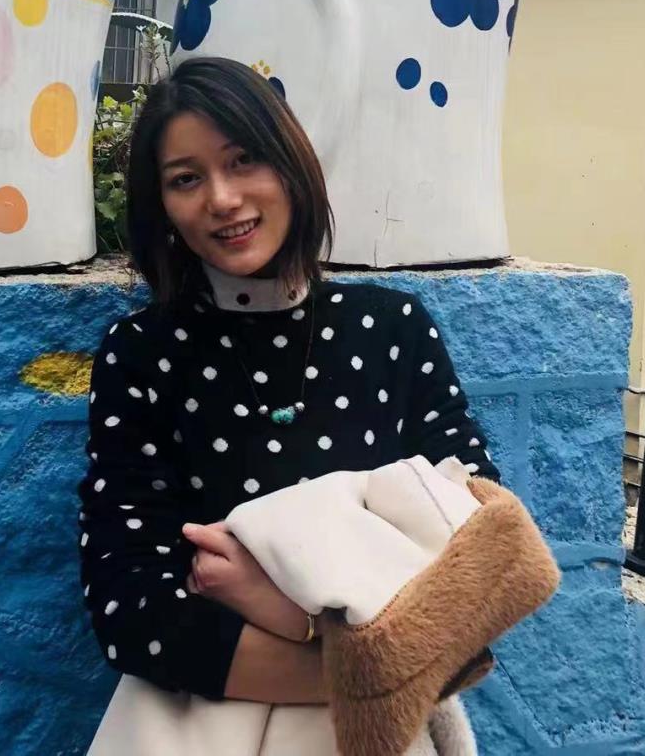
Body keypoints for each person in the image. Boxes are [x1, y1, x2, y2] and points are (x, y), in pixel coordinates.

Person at [78, 56, 500, 709]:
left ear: (292, 164)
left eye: (244, 160)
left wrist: (279, 606)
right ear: (160, 206)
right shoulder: (142, 355)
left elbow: (485, 556)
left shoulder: (392, 330)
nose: (222, 199)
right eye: (186, 178)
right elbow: (131, 612)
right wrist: (385, 670)